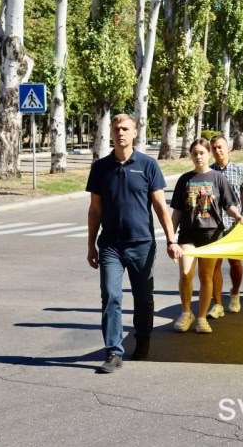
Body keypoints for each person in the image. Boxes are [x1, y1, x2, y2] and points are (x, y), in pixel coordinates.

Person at [86, 114, 183, 373]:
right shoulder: (100, 168)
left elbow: (161, 207)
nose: (120, 132)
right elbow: (95, 210)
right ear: (111, 132)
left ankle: (143, 340)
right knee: (111, 296)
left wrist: (171, 239)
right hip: (110, 246)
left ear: (135, 132)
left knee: (143, 298)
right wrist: (90, 245)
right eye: (116, 128)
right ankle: (114, 352)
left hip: (142, 244)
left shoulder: (148, 165)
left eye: (125, 128)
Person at [171, 138, 243, 334]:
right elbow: (177, 211)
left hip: (212, 234)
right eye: (195, 153)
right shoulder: (184, 180)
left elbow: (229, 205)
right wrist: (171, 238)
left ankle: (202, 317)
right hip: (188, 233)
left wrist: (238, 216)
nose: (198, 157)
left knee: (206, 276)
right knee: (186, 274)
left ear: (208, 154)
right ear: (191, 155)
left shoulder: (218, 178)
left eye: (202, 153)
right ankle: (186, 312)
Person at [210, 135, 243, 316]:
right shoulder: (208, 172)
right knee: (214, 265)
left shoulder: (239, 171)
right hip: (214, 225)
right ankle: (217, 304)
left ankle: (235, 294)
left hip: (234, 223)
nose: (217, 151)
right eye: (214, 148)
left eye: (220, 147)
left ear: (228, 148)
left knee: (235, 263)